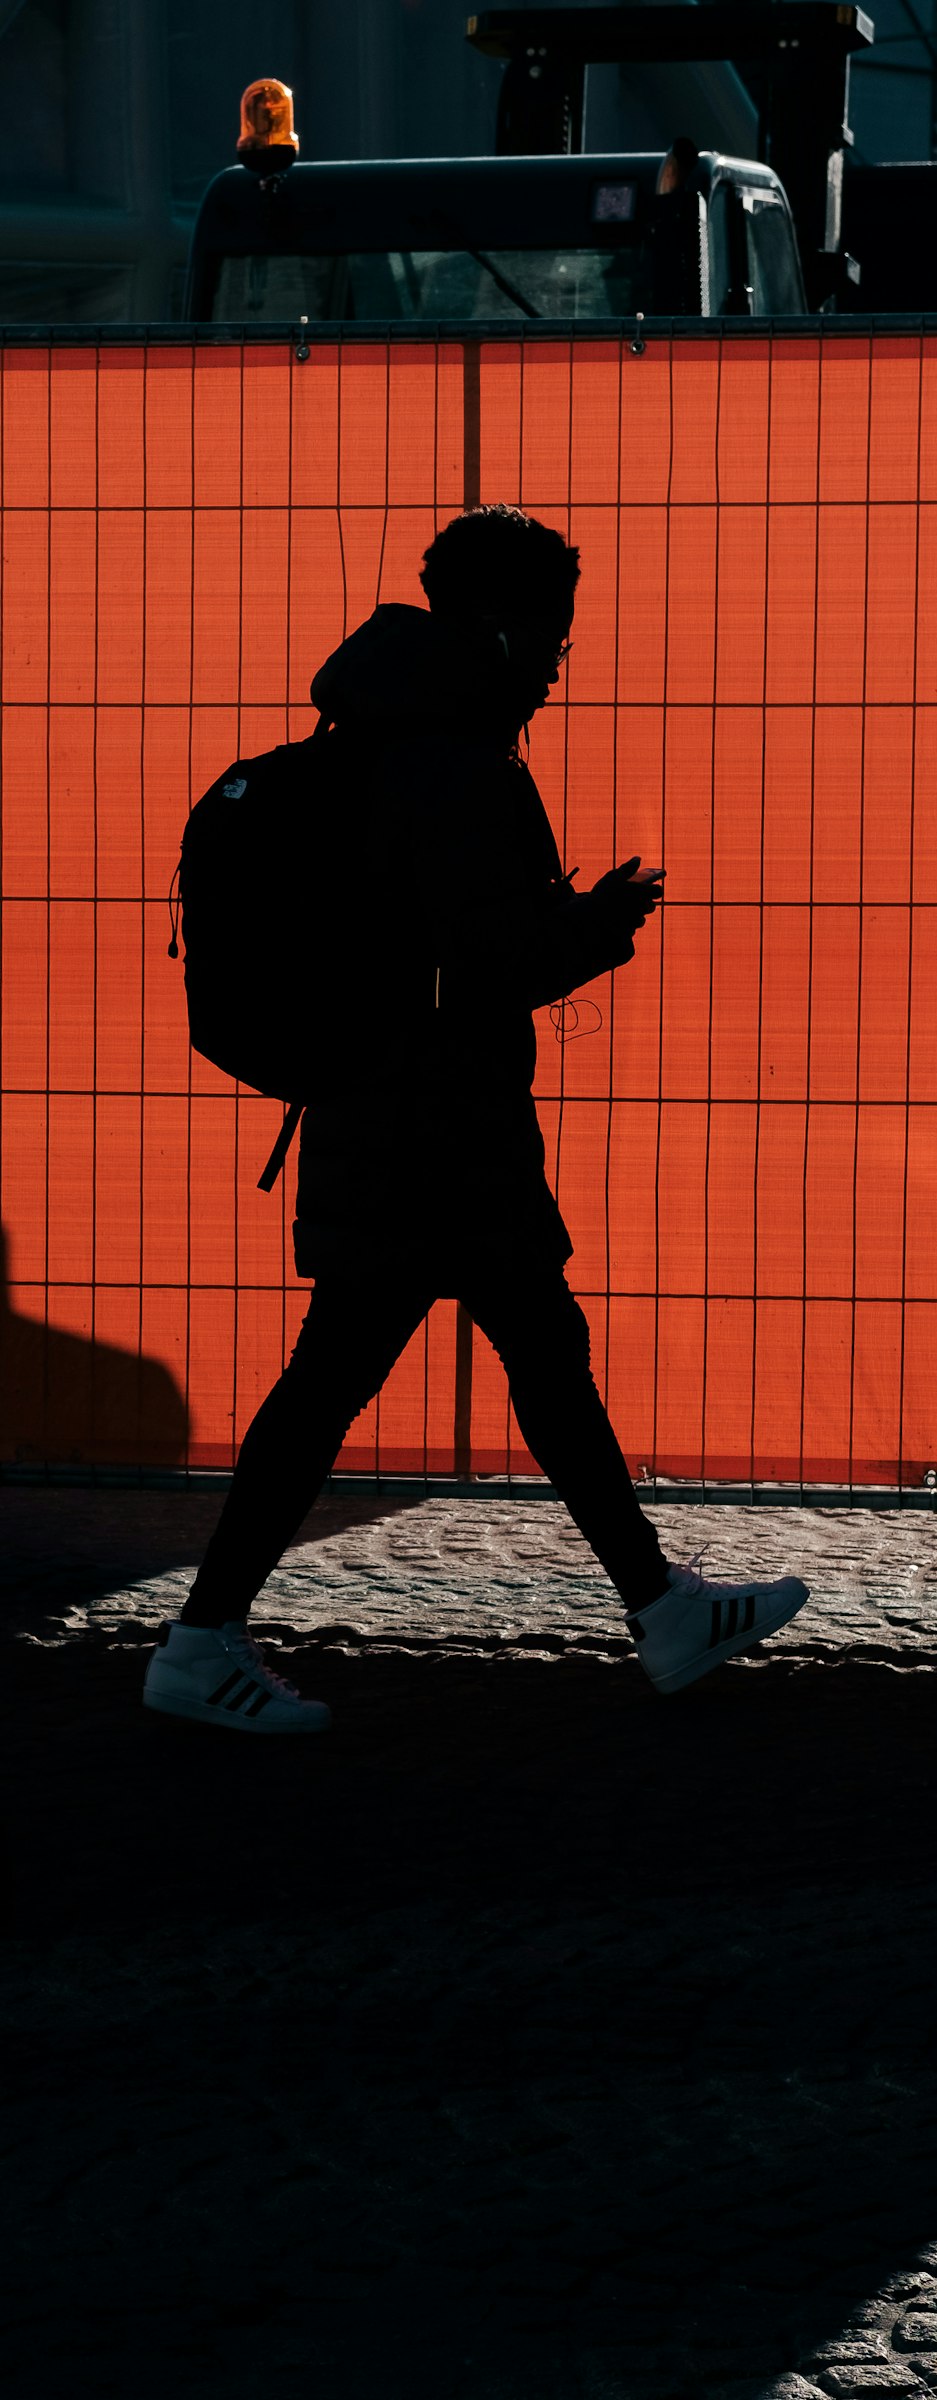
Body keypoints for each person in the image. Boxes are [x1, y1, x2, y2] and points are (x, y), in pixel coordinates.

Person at [144, 504, 808, 1734]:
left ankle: (660, 1607)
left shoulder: (376, 737)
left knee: (487, 1357)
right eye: (553, 633)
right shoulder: (452, 762)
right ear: (504, 627)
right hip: (435, 1122)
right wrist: (596, 932)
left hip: (372, 1109)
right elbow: (486, 957)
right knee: (410, 1370)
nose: (560, 661)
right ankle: (200, 1644)